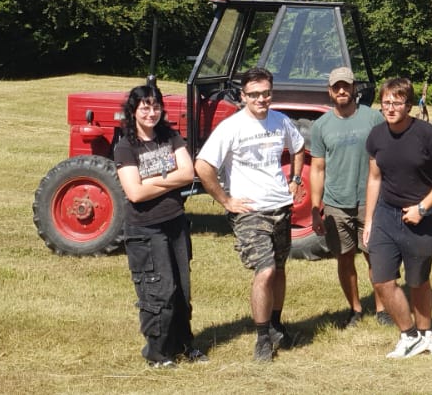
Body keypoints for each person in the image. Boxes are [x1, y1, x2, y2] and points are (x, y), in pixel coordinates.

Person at [194, 67, 307, 363]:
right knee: (266, 270)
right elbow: (203, 165)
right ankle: (261, 338)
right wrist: (225, 200)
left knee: (280, 269)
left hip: (280, 206)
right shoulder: (231, 127)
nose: (261, 99)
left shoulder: (280, 121)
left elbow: (298, 147)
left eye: (266, 93)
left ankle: (276, 324)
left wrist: (296, 180)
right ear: (243, 96)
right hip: (250, 212)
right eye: (254, 94)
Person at [362, 77, 432, 359]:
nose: (390, 108)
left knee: (418, 280)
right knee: (381, 280)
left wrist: (423, 207)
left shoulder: (426, 134)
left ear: (408, 104)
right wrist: (369, 220)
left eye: (397, 102)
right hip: (385, 215)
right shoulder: (376, 136)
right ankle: (409, 334)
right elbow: (374, 178)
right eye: (386, 102)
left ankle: (426, 333)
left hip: (421, 216)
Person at [112, 84, 204, 368]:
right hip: (145, 228)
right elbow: (135, 194)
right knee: (157, 290)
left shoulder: (170, 136)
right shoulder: (126, 146)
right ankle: (157, 353)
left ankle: (183, 343)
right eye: (145, 107)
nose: (151, 112)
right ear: (134, 110)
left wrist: (151, 181)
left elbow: (189, 173)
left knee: (181, 290)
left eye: (155, 106)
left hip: (175, 222)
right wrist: (169, 177)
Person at [308, 66, 389, 329]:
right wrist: (314, 207)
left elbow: (387, 156)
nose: (342, 91)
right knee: (344, 257)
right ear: (330, 91)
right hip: (336, 203)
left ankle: (382, 309)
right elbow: (318, 169)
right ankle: (355, 309)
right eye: (336, 87)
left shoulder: (373, 118)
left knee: (374, 256)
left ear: (355, 88)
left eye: (346, 86)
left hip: (370, 201)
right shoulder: (321, 126)